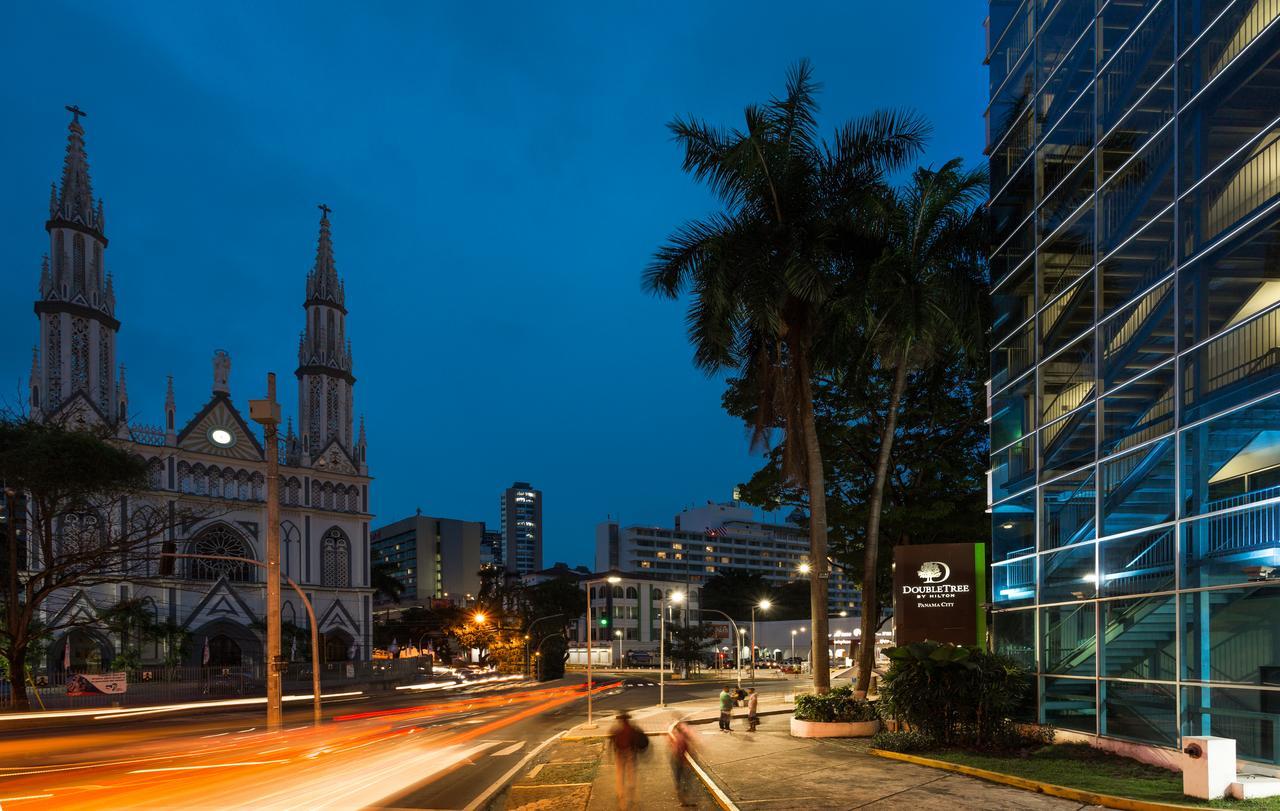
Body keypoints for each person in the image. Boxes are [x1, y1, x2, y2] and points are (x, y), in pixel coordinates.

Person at [609, 711, 642, 810]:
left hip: (619, 754)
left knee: (620, 776)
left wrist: (610, 755)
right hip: (630, 754)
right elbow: (636, 742)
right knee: (631, 775)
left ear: (620, 720)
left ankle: (621, 799)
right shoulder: (631, 729)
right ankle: (632, 795)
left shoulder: (616, 730)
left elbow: (612, 743)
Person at [669, 721, 698, 806]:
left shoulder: (676, 736)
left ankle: (683, 800)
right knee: (684, 780)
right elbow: (680, 752)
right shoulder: (682, 739)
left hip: (675, 760)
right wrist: (685, 763)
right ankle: (684, 800)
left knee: (680, 780)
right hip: (678, 761)